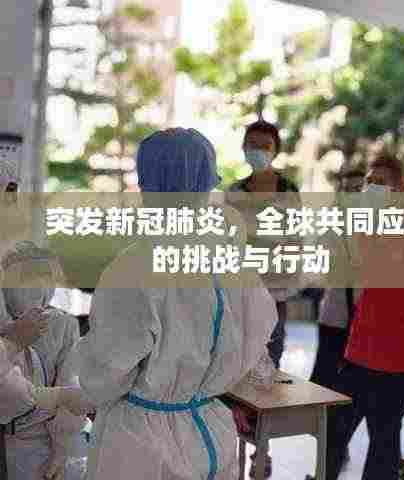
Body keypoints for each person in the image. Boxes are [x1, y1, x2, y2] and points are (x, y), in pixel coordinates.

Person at [39, 128, 278, 480]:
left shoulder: (136, 265)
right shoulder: (233, 260)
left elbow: (104, 373)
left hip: (143, 445)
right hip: (211, 436)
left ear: (150, 185)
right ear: (207, 181)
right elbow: (257, 337)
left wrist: (80, 389)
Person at [323, 155, 404, 480]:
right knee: (335, 432)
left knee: (383, 443)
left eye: (380, 182)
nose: (371, 188)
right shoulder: (366, 229)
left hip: (395, 362)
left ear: (401, 188)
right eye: (369, 182)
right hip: (357, 353)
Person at [226, 119, 300, 477]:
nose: (257, 151)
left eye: (264, 145)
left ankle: (262, 450)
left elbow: (295, 242)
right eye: (251, 144)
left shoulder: (288, 191)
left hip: (274, 295)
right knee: (234, 369)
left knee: (267, 372)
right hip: (238, 295)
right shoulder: (234, 192)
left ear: (276, 150)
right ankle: (232, 447)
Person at [2, 242, 88, 480]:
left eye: (46, 278)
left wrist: (61, 448)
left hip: (46, 442)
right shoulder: (5, 327)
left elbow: (72, 386)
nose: (39, 288)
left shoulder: (62, 325)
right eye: (27, 279)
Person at [305, 167, 365, 480]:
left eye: (359, 188)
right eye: (348, 189)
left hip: (365, 325)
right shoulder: (333, 225)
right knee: (325, 388)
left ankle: (336, 451)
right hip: (334, 319)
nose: (354, 194)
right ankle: (328, 456)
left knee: (353, 393)